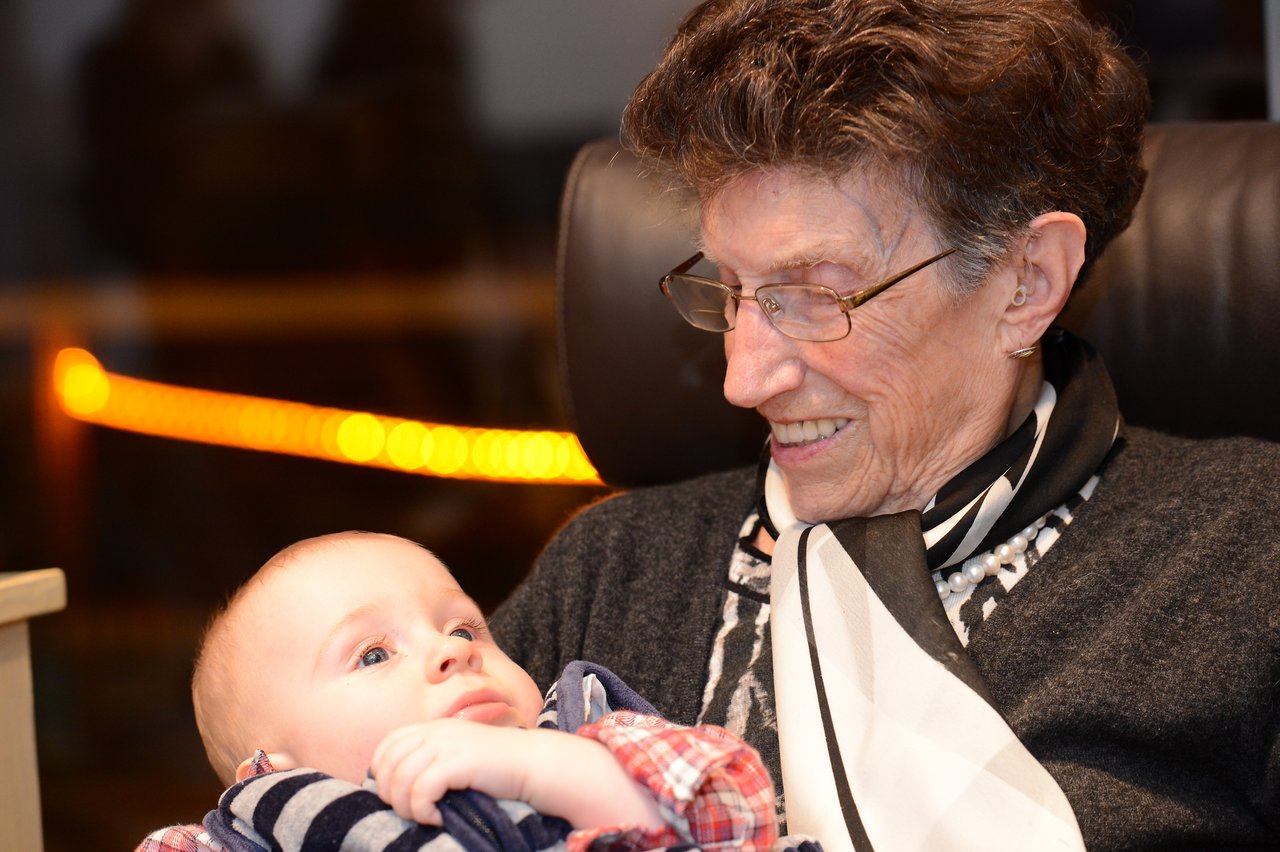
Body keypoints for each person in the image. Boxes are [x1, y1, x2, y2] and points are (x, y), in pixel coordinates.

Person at [490, 1, 1280, 850]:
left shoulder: (1249, 554)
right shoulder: (609, 572)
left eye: (816, 295)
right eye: (733, 289)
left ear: (1027, 282)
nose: (743, 380)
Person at [138, 531, 777, 851]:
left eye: (464, 628)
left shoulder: (590, 733)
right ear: (269, 774)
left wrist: (547, 771)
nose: (455, 650)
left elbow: (737, 822)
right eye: (373, 654)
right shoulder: (238, 839)